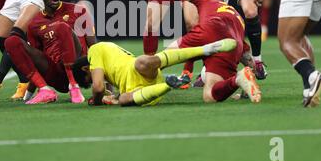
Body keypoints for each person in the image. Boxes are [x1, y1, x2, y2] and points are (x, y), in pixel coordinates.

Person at [149, 0, 261, 104]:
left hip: (207, 31)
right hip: (231, 44)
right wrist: (249, 80)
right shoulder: (238, 17)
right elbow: (247, 57)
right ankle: (238, 79)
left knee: (161, 60)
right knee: (210, 96)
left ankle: (141, 84)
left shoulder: (206, 0)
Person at [5, 0, 96, 105]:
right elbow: (37, 59)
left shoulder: (79, 11)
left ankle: (74, 86)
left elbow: (95, 47)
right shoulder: (34, 23)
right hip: (55, 75)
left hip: (78, 70)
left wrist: (105, 85)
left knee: (61, 27)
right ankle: (44, 90)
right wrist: (29, 94)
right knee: (11, 41)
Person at [76, 38, 239, 107]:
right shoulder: (107, 56)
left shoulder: (94, 51)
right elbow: (109, 82)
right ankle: (171, 83)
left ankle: (205, 49)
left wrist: (96, 101)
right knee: (124, 98)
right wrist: (115, 97)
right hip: (149, 90)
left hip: (141, 78)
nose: (95, 79)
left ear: (86, 68)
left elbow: (97, 88)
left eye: (88, 79)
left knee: (141, 62)